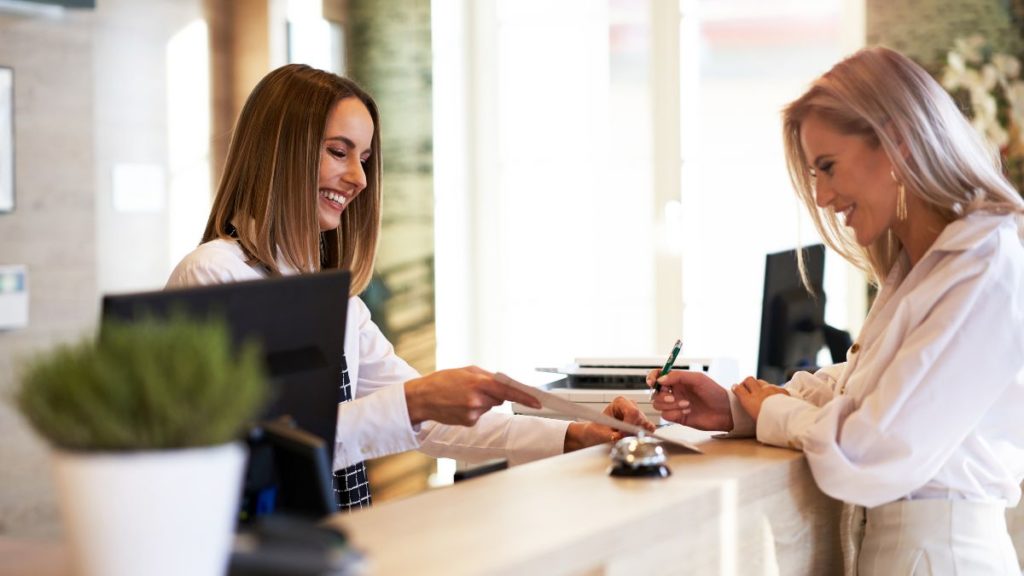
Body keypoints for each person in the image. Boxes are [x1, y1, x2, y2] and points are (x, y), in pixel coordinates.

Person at [167, 64, 653, 512]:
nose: (358, 178)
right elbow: (253, 450)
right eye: (338, 151)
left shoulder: (335, 300)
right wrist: (414, 401)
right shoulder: (213, 275)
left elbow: (427, 422)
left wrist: (575, 434)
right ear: (282, 152)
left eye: (365, 158)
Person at [648, 46, 1024, 574]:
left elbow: (867, 452)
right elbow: (870, 386)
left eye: (827, 167)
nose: (821, 196)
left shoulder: (983, 262)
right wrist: (740, 407)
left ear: (895, 140)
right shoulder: (930, 267)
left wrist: (775, 411)